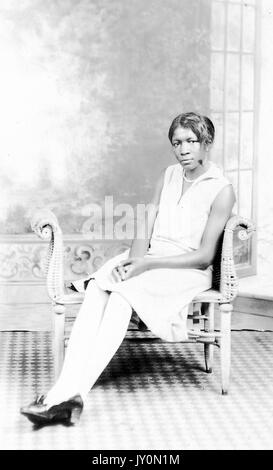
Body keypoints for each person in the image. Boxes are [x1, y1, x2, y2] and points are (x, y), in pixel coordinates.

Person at [20, 112, 235, 425]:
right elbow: (146, 223)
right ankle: (63, 392)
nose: (183, 149)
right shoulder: (170, 174)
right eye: (177, 143)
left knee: (121, 296)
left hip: (185, 271)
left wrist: (146, 265)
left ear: (207, 143)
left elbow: (203, 257)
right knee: (100, 286)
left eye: (191, 141)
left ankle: (71, 394)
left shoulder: (222, 189)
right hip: (149, 259)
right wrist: (133, 262)